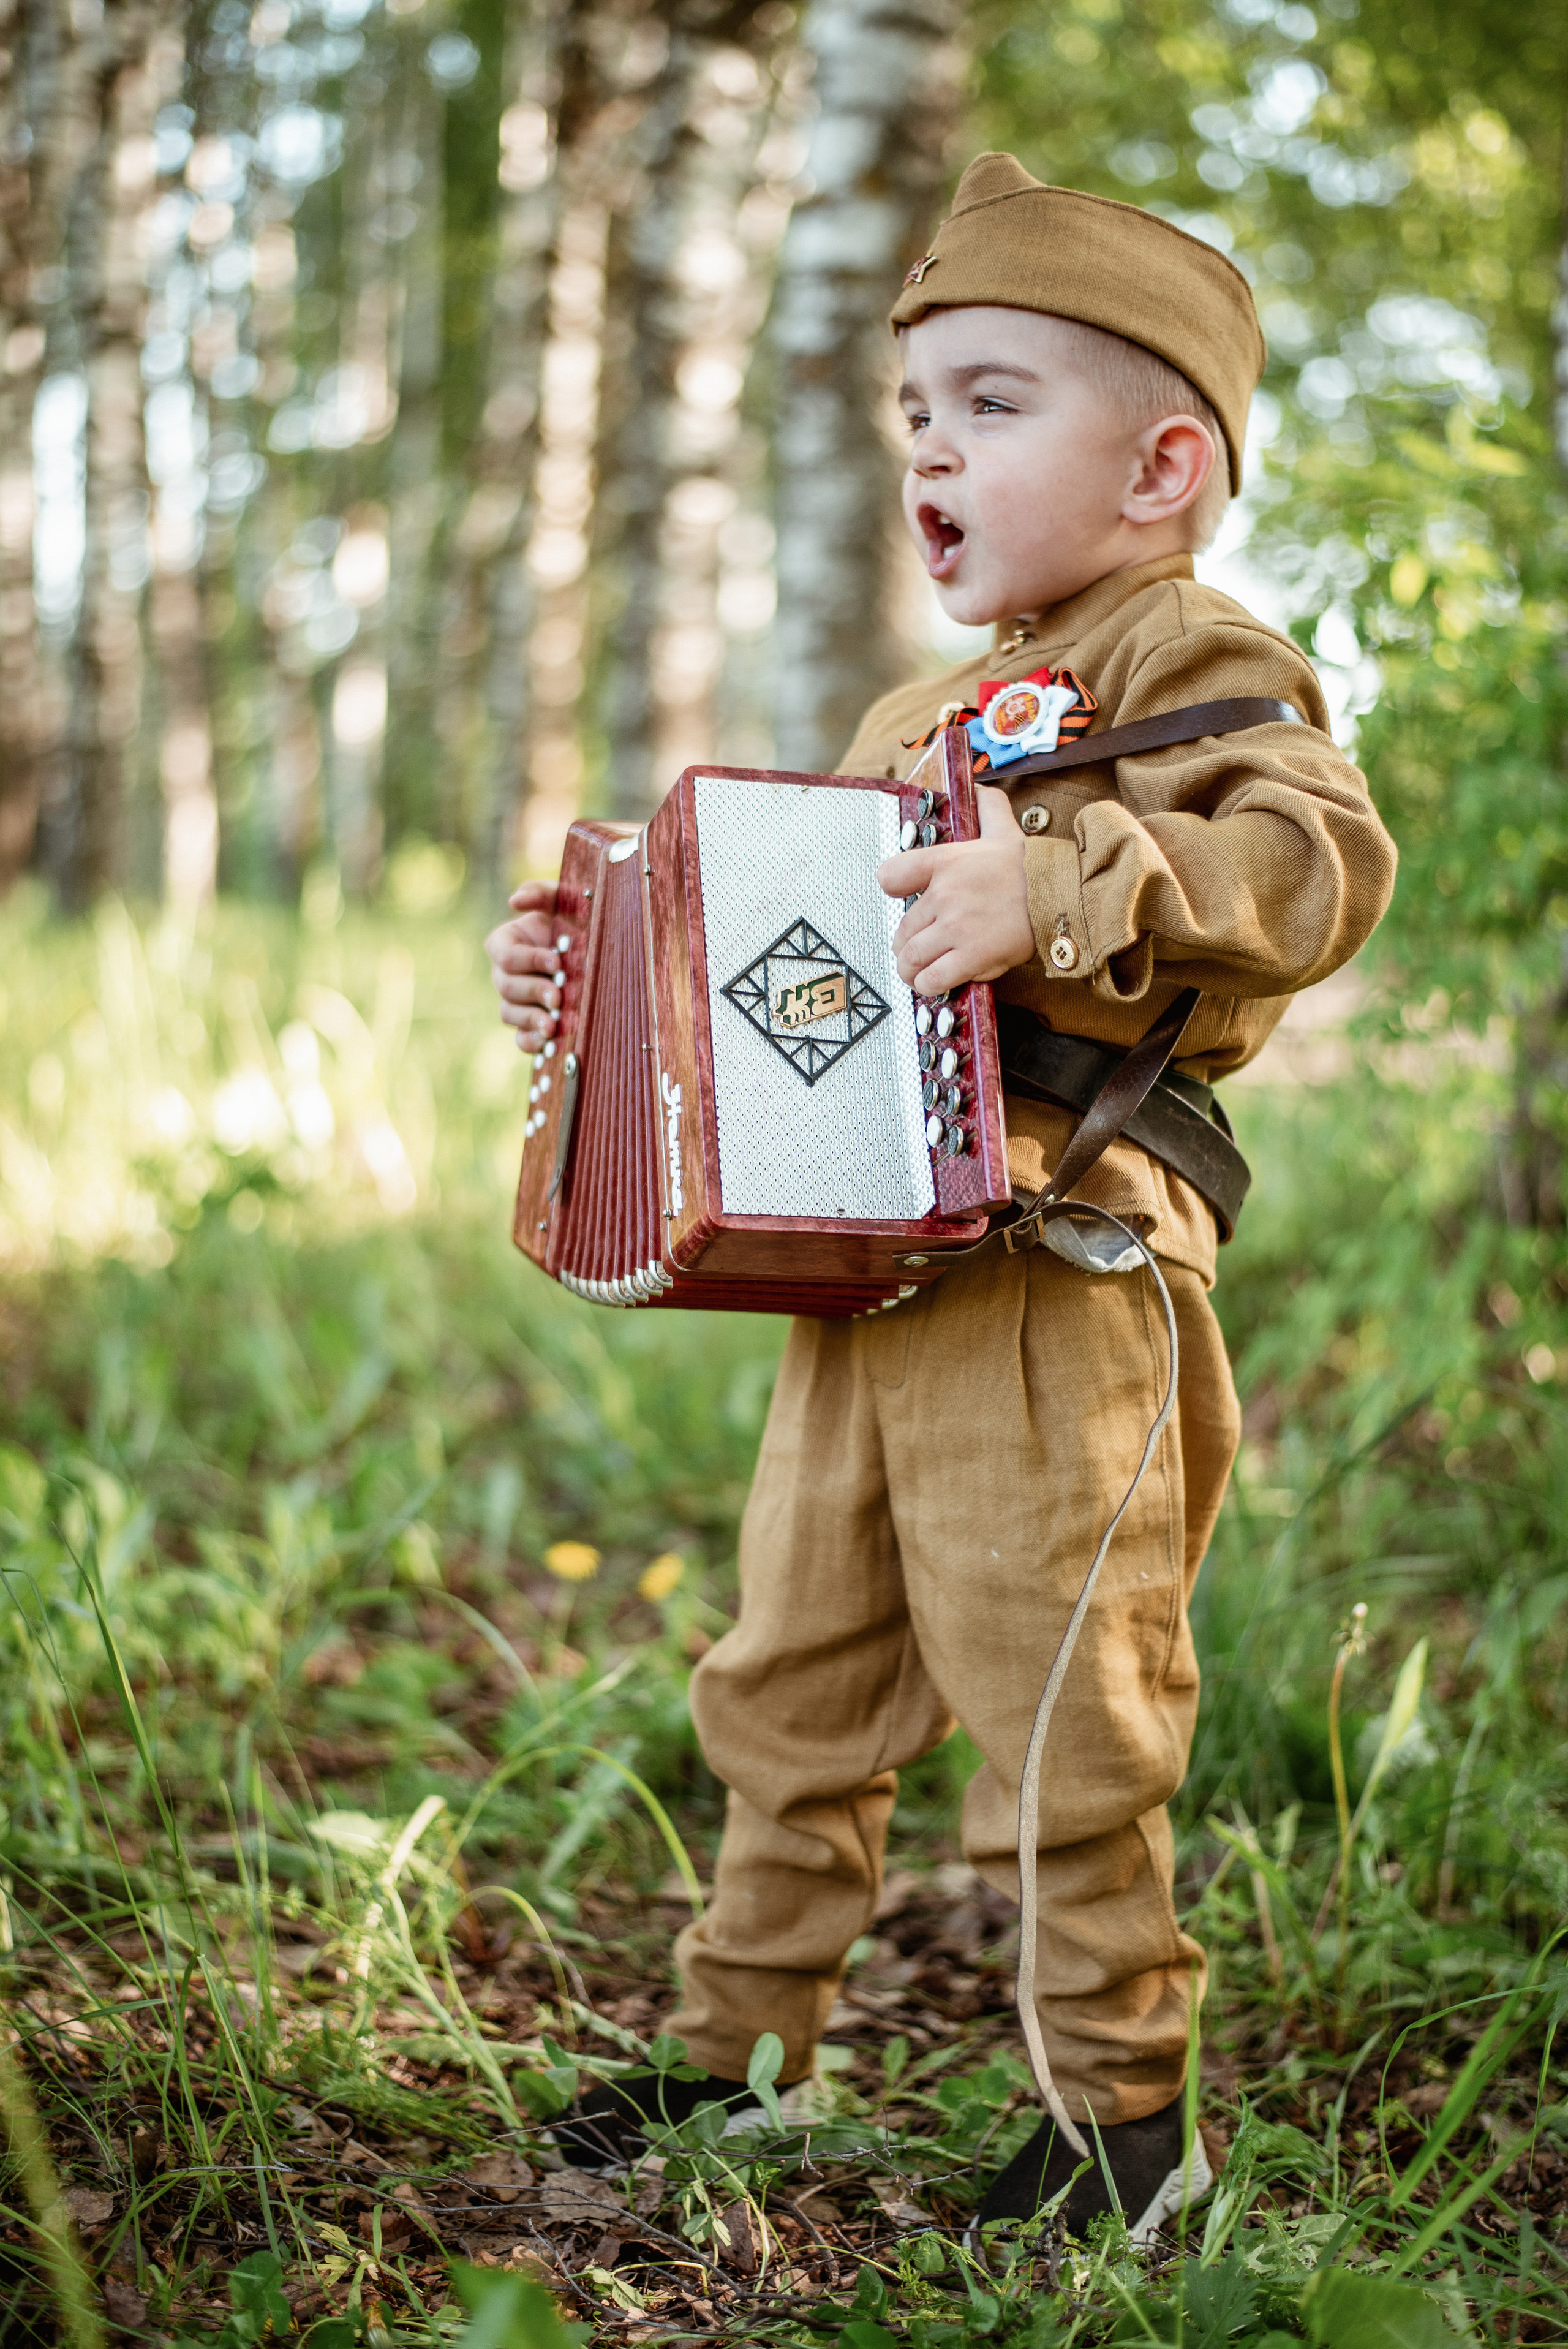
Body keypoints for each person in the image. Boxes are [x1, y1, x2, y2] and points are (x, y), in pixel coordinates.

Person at [485, 153, 1396, 2241]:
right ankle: (747, 2055)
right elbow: (798, 973)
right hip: (865, 1279)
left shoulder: (1195, 654)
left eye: (990, 402)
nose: (931, 448)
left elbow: (1320, 875)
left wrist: (1063, 881)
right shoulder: (912, 714)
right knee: (787, 1673)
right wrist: (588, 977)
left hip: (1064, 1264)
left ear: (1164, 463)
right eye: (916, 413)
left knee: (1073, 1694)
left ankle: (1119, 2120)